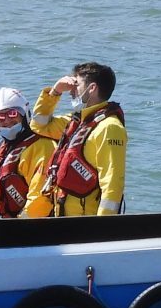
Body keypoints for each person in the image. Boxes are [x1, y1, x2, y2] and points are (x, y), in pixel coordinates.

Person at [31, 61, 127, 216]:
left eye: (76, 85)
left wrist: (104, 228)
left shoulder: (109, 127)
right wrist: (55, 92)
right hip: (63, 217)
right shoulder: (77, 122)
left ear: (92, 88)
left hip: (85, 222)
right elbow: (38, 125)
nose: (71, 90)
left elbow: (112, 184)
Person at [0, 86, 55, 219]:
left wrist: (19, 226)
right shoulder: (4, 148)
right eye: (0, 117)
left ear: (24, 115)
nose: (6, 120)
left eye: (12, 113)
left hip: (33, 225)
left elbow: (40, 199)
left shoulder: (42, 147)